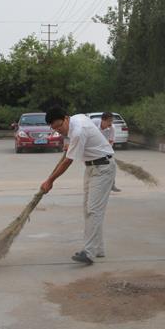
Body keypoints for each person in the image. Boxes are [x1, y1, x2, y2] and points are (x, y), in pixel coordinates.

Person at [40, 106, 116, 265]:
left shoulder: (78, 130)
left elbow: (68, 161)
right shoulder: (77, 119)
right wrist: (71, 145)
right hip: (92, 167)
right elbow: (81, 142)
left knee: (93, 210)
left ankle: (89, 253)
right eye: (54, 128)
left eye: (59, 126)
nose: (59, 130)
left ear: (66, 118)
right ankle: (98, 249)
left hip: (103, 168)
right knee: (89, 210)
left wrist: (50, 181)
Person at [92, 112, 121, 192]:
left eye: (111, 121)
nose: (110, 123)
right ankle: (96, 186)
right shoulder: (93, 123)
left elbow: (111, 141)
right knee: (95, 168)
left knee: (111, 166)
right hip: (92, 148)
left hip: (105, 149)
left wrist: (106, 153)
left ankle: (112, 184)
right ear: (102, 120)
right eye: (109, 121)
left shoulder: (112, 128)